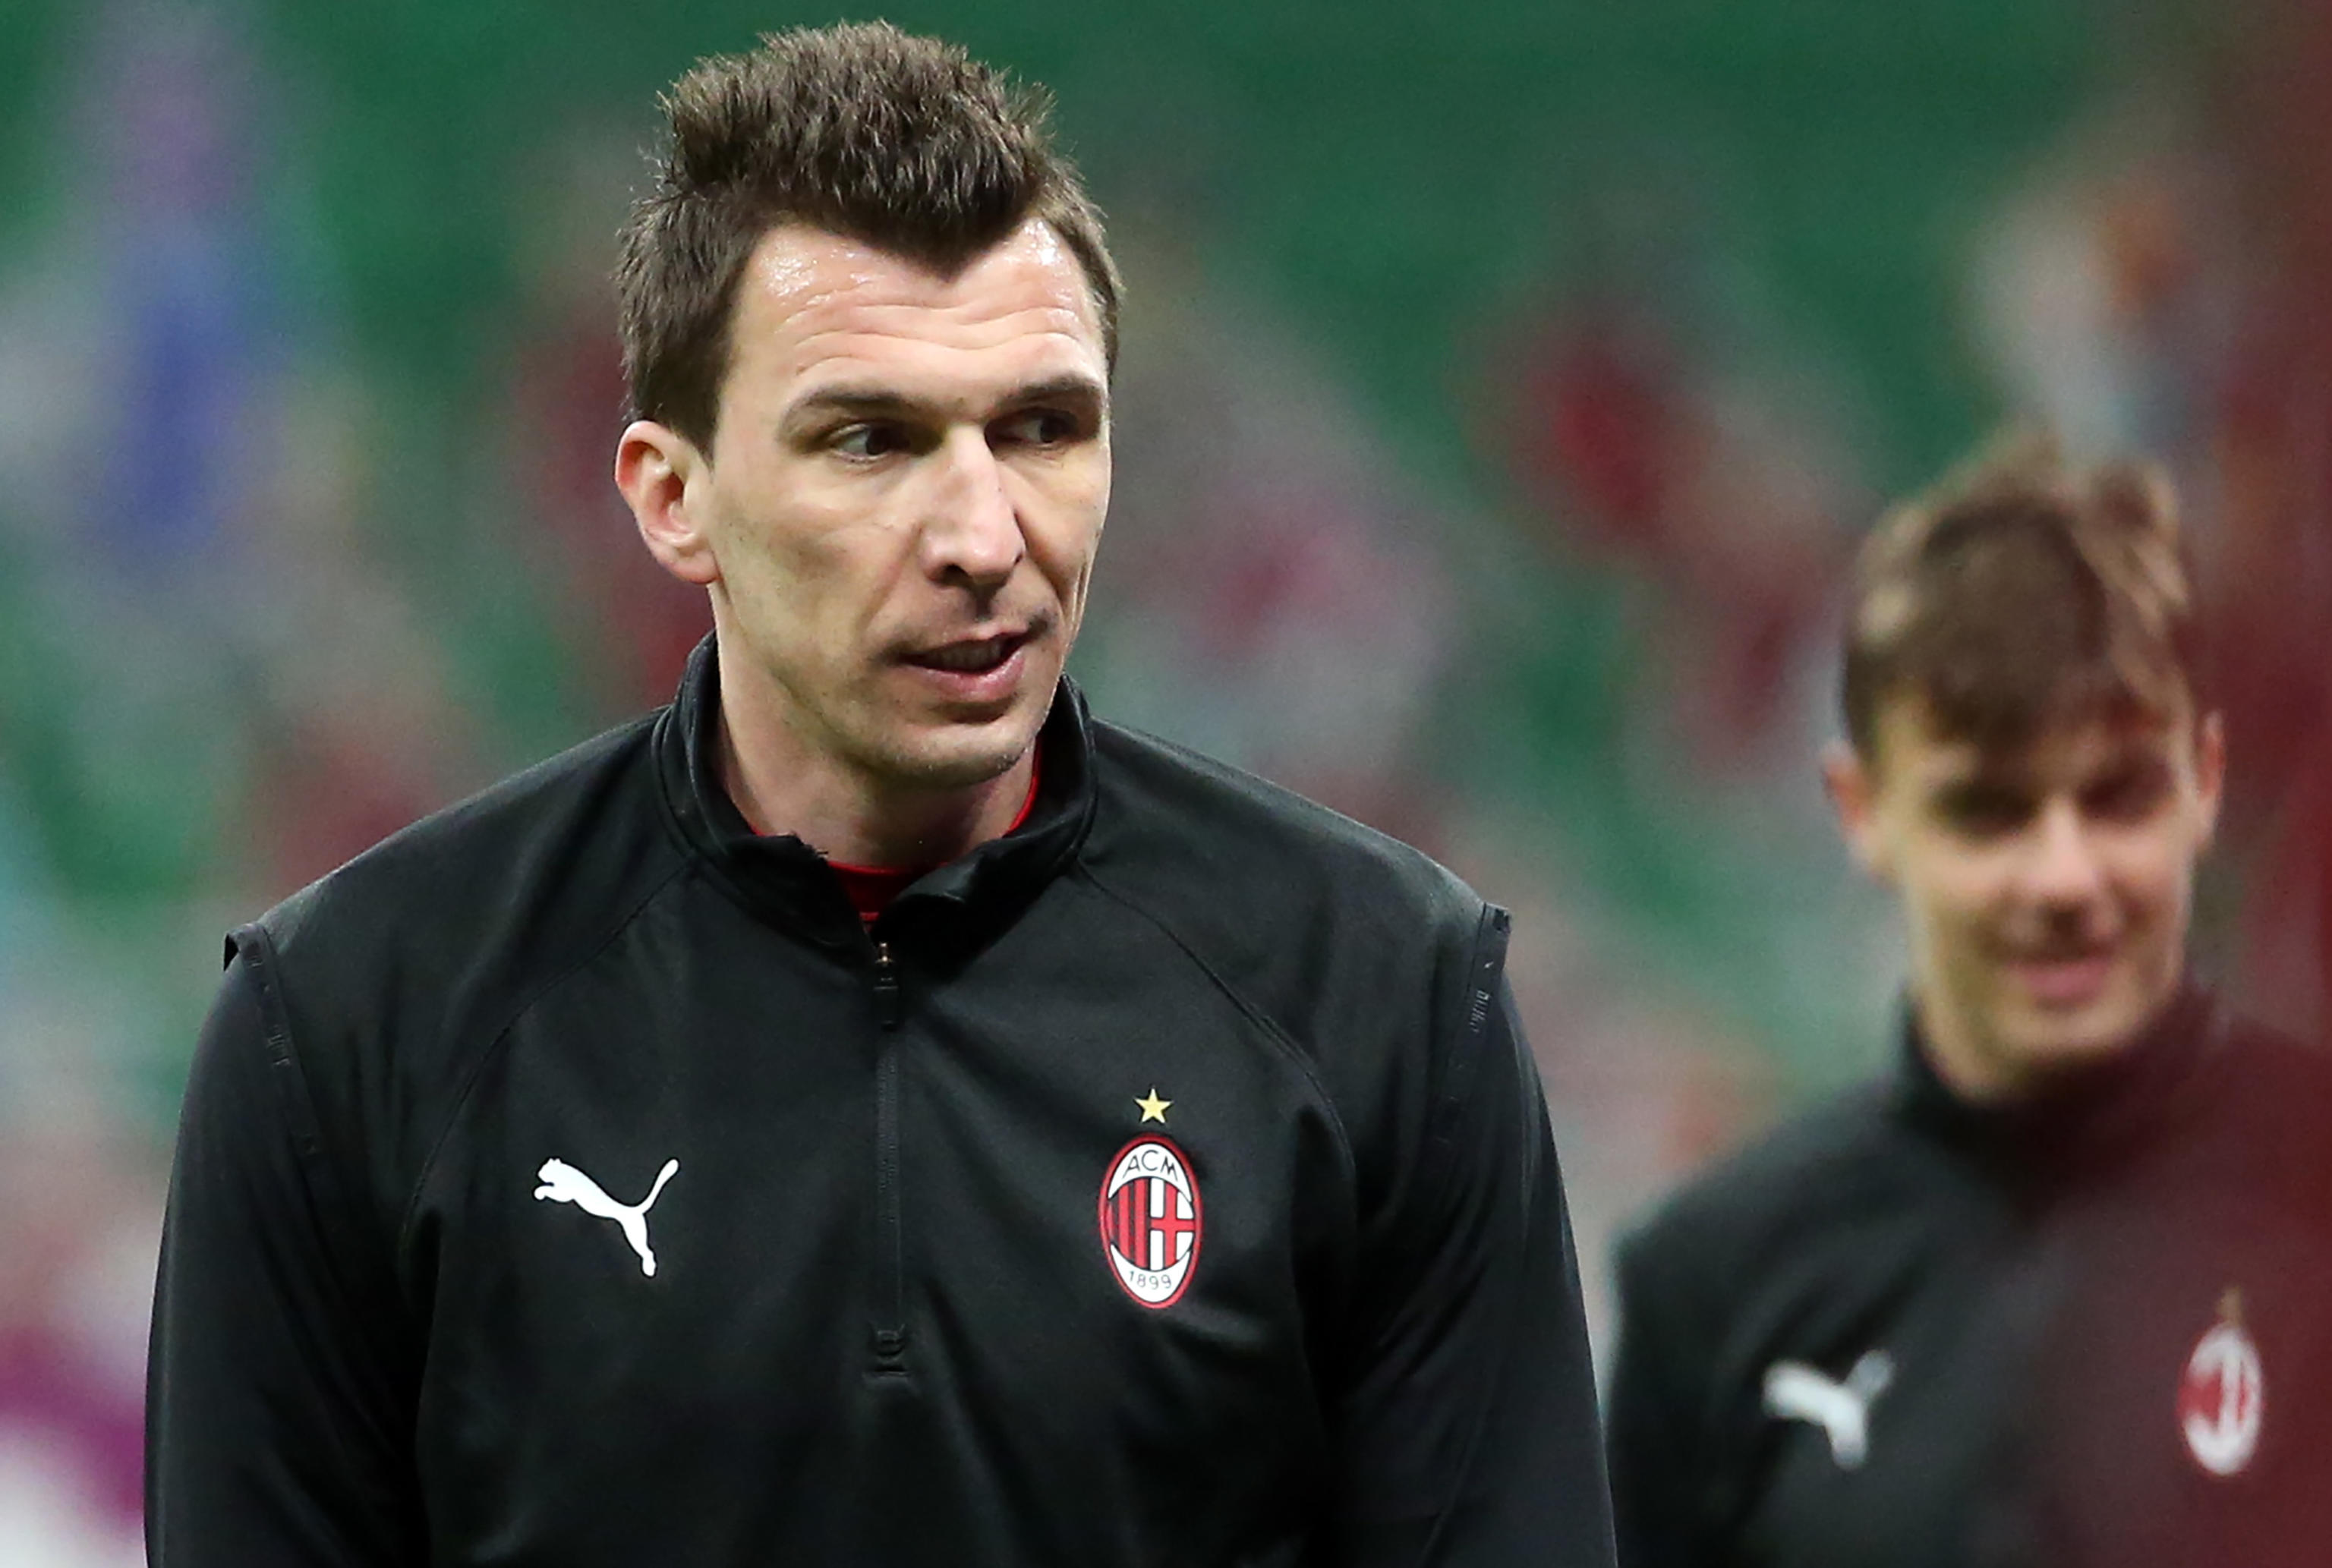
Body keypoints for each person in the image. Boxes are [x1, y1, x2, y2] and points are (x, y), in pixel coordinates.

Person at [143, 24, 1616, 1568]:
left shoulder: (1384, 994)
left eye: (1044, 427)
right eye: (871, 439)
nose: (984, 531)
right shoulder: (354, 1025)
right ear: (672, 494)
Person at [1604, 439, 2332, 1566]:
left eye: (2115, 793)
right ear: (1864, 808)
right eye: (1986, 811)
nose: (2061, 878)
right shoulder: (1713, 1287)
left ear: (2204, 781)